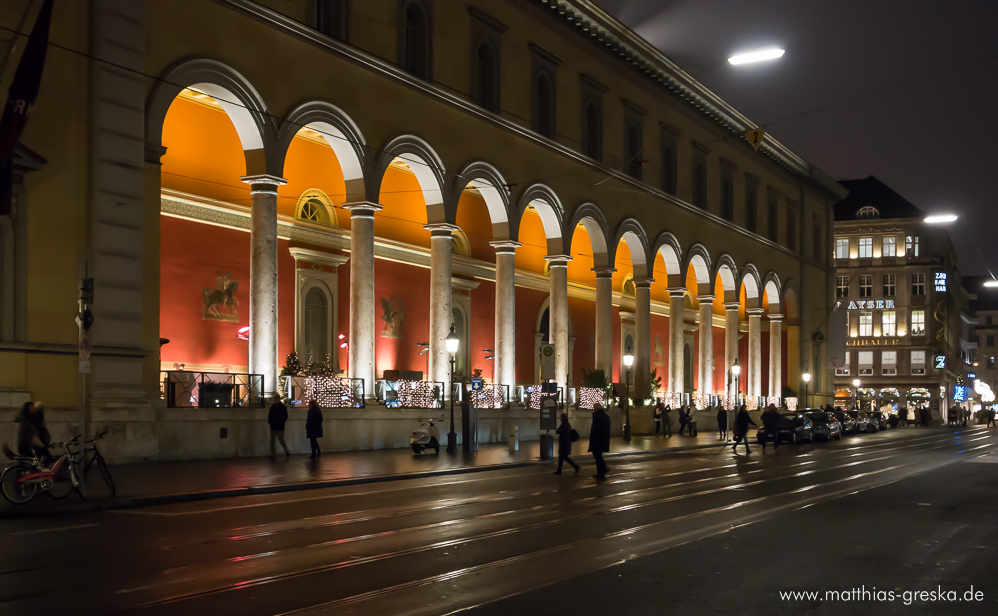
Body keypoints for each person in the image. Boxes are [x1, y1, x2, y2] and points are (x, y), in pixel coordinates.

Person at [588, 403, 611, 481]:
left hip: (597, 440)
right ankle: (601, 472)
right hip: (602, 440)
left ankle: (602, 470)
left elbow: (595, 429)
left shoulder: (598, 416)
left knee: (598, 456)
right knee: (598, 456)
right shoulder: (604, 416)